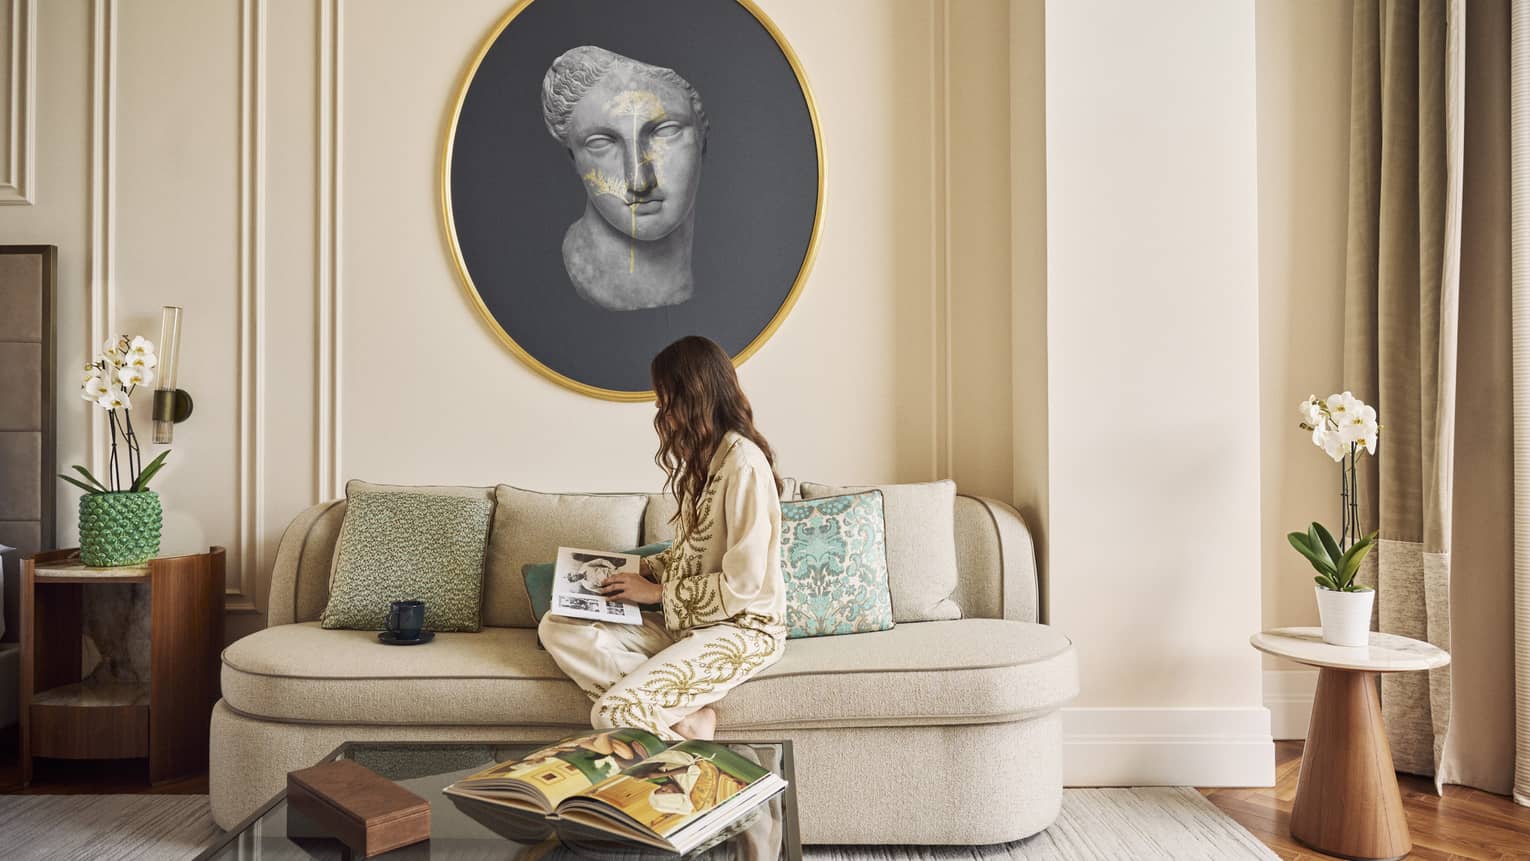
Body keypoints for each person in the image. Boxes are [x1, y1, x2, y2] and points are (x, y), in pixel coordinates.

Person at [539, 336, 785, 741]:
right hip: (687, 625)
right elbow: (693, 554)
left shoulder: (743, 465)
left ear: (693, 396)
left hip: (742, 630)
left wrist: (655, 595)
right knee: (558, 624)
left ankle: (714, 789)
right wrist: (630, 572)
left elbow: (743, 585)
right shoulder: (703, 461)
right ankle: (682, 717)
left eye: (664, 398)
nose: (658, 410)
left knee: (615, 712)